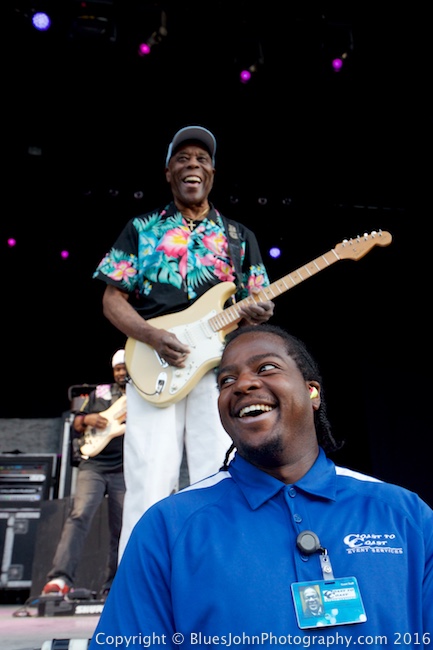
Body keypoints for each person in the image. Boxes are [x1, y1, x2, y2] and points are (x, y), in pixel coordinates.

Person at [89, 324, 433, 647]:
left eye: (266, 368)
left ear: (312, 392)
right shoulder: (168, 526)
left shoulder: (404, 515)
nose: (242, 385)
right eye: (226, 381)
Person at [92, 125, 275, 559]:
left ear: (212, 172)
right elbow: (111, 299)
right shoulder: (141, 229)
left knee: (220, 475)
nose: (193, 165)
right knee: (148, 479)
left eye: (202, 159)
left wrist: (261, 309)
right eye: (183, 158)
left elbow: (257, 300)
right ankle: (141, 596)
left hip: (217, 370)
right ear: (168, 171)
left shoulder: (237, 236)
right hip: (154, 363)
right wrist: (151, 334)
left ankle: (219, 579)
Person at [42, 349, 127, 600]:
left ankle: (113, 584)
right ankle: (59, 578)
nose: (121, 372)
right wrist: (89, 418)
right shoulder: (101, 392)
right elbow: (77, 421)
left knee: (121, 526)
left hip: (124, 467)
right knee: (79, 515)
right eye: (117, 369)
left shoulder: (143, 394)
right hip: (94, 464)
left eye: (125, 367)